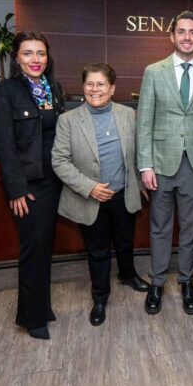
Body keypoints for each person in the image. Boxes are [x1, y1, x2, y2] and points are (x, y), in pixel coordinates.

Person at [53, 63, 150, 326]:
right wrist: (90, 187)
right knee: (97, 251)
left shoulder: (127, 114)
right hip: (90, 197)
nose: (95, 89)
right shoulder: (68, 120)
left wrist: (140, 183)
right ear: (83, 87)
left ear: (112, 88)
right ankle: (100, 297)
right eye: (90, 84)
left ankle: (128, 275)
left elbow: (137, 152)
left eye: (101, 84)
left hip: (123, 194)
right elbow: (59, 161)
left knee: (125, 242)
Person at [136, 11, 193, 315]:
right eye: (181, 31)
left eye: (192, 32)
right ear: (172, 36)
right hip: (160, 164)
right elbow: (144, 120)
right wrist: (145, 165)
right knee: (160, 227)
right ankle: (157, 282)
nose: (187, 37)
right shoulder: (153, 71)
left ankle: (186, 280)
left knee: (190, 228)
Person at [0, 32, 64, 340]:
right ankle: (32, 317)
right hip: (28, 185)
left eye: (41, 53)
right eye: (28, 53)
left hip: (54, 180)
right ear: (17, 58)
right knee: (33, 248)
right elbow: (4, 144)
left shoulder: (53, 88)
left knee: (45, 246)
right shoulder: (5, 91)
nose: (35, 59)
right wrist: (16, 189)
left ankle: (42, 306)